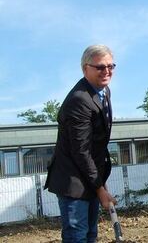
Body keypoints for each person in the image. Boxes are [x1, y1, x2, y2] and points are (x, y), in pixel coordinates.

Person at [45, 45, 117, 243]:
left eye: (111, 66)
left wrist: (99, 182)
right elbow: (81, 151)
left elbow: (97, 146)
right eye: (100, 67)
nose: (107, 71)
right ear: (85, 69)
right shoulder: (80, 100)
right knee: (77, 236)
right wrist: (100, 188)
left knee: (90, 235)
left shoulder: (103, 91)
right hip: (73, 182)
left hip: (89, 177)